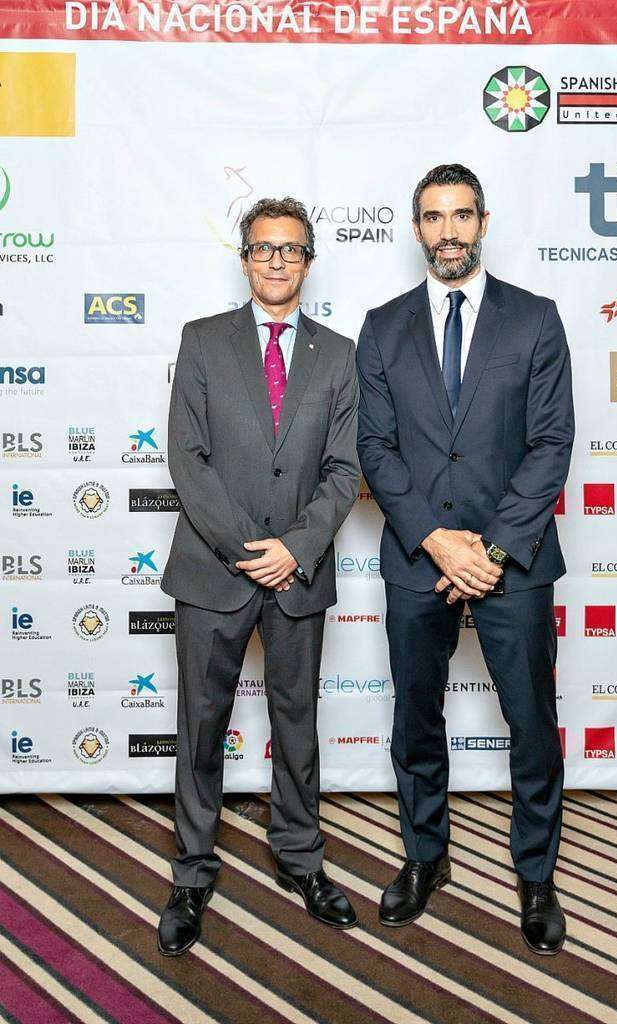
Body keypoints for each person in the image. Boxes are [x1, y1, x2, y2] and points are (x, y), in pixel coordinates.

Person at [356, 164, 574, 955]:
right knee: (415, 720)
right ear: (417, 229)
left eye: (460, 215)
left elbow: (551, 444)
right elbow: (375, 448)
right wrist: (436, 540)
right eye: (432, 217)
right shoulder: (383, 326)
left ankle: (537, 875)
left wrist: (491, 548)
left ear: (484, 222)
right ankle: (426, 856)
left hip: (514, 561)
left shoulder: (535, 319)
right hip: (419, 560)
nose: (447, 231)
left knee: (532, 725)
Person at [158, 197, 361, 955]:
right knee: (201, 726)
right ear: (245, 259)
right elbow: (187, 458)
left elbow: (344, 470)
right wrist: (253, 549)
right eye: (264, 248)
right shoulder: (202, 340)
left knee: (296, 724)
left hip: (297, 573)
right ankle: (191, 872)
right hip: (215, 569)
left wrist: (294, 549)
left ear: (309, 261)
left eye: (291, 249)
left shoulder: (339, 354)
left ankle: (301, 859)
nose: (277, 261)